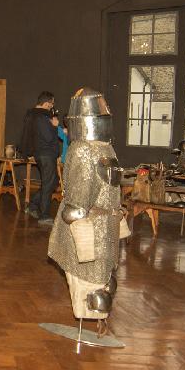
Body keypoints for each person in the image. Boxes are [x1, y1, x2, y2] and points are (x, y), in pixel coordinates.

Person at [48, 88, 126, 329]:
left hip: (88, 226)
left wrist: (69, 216)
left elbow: (78, 202)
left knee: (85, 280)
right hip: (107, 223)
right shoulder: (106, 147)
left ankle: (88, 321)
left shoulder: (82, 148)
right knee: (101, 277)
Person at [19, 91, 61, 224]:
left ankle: (32, 205)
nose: (52, 106)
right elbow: (48, 137)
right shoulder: (41, 117)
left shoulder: (33, 114)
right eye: (52, 104)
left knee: (52, 182)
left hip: (41, 153)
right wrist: (54, 126)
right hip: (46, 154)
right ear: (47, 103)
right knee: (49, 184)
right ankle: (44, 216)